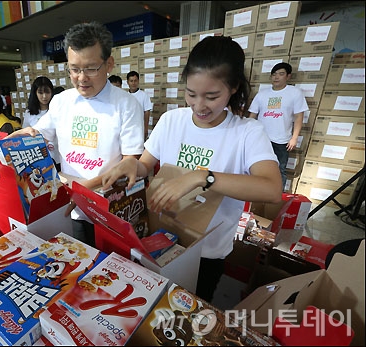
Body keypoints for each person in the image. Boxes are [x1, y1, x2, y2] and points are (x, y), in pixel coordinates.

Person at [101, 35, 283, 303]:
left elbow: (272, 188)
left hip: (206, 254)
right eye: (191, 94)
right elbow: (144, 166)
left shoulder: (247, 132)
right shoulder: (171, 121)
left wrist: (201, 177)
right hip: (159, 239)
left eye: (211, 96)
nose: (199, 106)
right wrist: (132, 163)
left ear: (233, 88)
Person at [5, 21, 145, 247]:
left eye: (91, 68)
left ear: (109, 64)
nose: (81, 78)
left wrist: (83, 190)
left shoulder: (126, 105)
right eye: (74, 69)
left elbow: (130, 163)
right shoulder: (62, 101)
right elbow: (40, 134)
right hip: (71, 207)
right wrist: (26, 136)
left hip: (109, 209)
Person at [248, 62, 309, 191]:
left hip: (282, 140)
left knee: (279, 170)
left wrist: (294, 138)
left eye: (281, 74)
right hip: (261, 139)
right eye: (274, 74)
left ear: (288, 76)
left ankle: (277, 197)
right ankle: (256, 195)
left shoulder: (295, 93)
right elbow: (252, 115)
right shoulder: (262, 94)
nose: (276, 77)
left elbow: (299, 116)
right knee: (256, 168)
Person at [22, 76, 61, 171]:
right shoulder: (29, 113)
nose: (44, 96)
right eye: (40, 92)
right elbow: (25, 134)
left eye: (47, 92)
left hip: (58, 156)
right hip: (38, 157)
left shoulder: (57, 110)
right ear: (35, 93)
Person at [127, 70, 152, 139]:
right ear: (127, 82)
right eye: (131, 81)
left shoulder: (144, 95)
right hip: (128, 129)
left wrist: (145, 129)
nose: (133, 83)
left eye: (135, 80)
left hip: (140, 128)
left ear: (138, 81)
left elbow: (147, 113)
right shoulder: (125, 96)